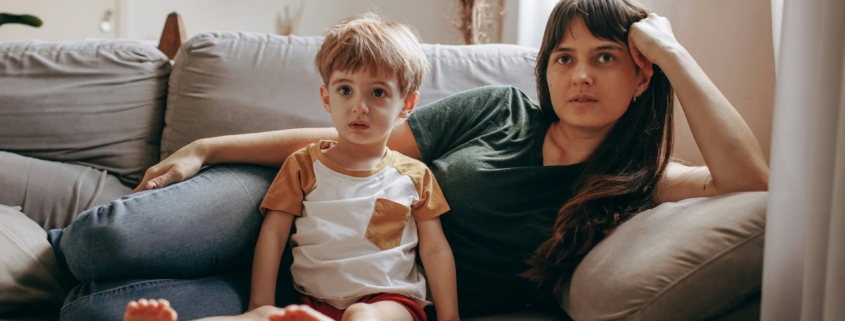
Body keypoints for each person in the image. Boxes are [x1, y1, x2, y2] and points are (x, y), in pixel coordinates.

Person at [49, 0, 769, 319]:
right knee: (99, 240)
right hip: (288, 196)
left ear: (640, 75)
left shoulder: (634, 185)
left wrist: (673, 53)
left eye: (605, 58)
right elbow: (348, 141)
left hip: (362, 300)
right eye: (564, 56)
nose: (579, 75)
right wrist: (206, 145)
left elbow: (750, 183)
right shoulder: (496, 109)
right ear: (545, 68)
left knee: (99, 314)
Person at [120, 13, 459, 321]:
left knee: (362, 316)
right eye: (345, 90)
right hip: (311, 304)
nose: (360, 106)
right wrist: (261, 304)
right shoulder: (303, 165)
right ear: (327, 98)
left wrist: (449, 317)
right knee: (255, 319)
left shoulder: (415, 176)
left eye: (378, 93)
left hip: (391, 303)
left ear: (407, 104)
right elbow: (274, 233)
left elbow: (435, 249)